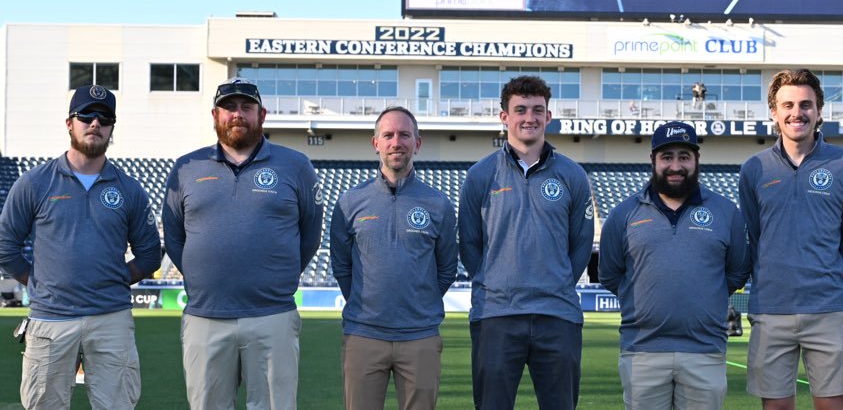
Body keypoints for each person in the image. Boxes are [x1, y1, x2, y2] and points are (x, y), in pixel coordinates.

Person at [0, 84, 162, 410]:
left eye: (104, 117)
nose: (95, 123)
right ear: (70, 123)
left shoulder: (130, 189)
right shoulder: (34, 182)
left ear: (112, 127)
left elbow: (150, 254)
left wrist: (110, 280)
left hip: (111, 319)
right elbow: (3, 248)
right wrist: (43, 282)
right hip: (50, 319)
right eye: (86, 115)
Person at [163, 78, 322, 410]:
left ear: (261, 115)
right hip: (205, 317)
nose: (238, 115)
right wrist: (203, 276)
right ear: (215, 115)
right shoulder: (186, 168)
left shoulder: (296, 166)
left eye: (246, 107)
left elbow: (309, 234)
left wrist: (276, 276)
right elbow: (176, 236)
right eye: (229, 107)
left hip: (272, 315)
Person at [459, 75, 595, 410]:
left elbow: (581, 245)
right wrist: (499, 280)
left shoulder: (573, 175)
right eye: (520, 109)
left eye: (537, 109)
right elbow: (470, 245)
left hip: (557, 315)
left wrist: (555, 281)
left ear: (549, 116)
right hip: (496, 315)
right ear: (504, 116)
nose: (529, 117)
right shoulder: (480, 175)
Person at [738, 69, 843, 410]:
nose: (797, 112)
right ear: (774, 112)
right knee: (777, 407)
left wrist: (838, 290)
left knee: (831, 406)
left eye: (806, 104)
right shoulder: (754, 169)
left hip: (827, 308)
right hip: (771, 309)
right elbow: (754, 235)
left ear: (820, 111)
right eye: (788, 105)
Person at [599, 122, 752, 409]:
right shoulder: (623, 214)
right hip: (642, 351)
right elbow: (610, 274)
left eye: (684, 156)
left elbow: (736, 272)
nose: (675, 165)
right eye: (667, 157)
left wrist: (703, 295)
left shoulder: (725, 212)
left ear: (696, 160)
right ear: (653, 161)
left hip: (704, 351)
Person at [330, 106, 459, 410]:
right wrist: (368, 303)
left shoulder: (438, 204)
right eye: (388, 135)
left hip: (420, 337)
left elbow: (447, 269)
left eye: (404, 134)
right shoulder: (350, 203)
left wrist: (417, 301)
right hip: (364, 335)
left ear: (417, 142)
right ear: (376, 143)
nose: (396, 142)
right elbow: (342, 267)